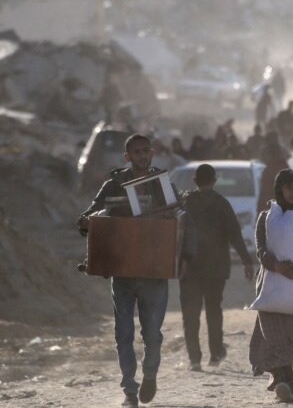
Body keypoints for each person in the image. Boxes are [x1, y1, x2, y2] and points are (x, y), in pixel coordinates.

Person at [76, 134, 195, 408]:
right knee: (123, 333)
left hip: (154, 271)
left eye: (145, 151)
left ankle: (150, 374)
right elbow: (92, 214)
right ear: (127, 157)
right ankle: (130, 389)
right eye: (136, 152)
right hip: (123, 271)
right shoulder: (114, 184)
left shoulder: (163, 186)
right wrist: (85, 222)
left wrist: (186, 255)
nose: (142, 156)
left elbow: (182, 221)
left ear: (152, 153)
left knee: (152, 333)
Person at [249, 169, 293, 403]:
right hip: (271, 287)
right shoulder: (266, 217)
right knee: (272, 334)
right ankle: (282, 381)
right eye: (289, 187)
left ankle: (282, 381)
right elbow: (261, 249)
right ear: (279, 189)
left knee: (289, 338)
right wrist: (277, 266)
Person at [181, 164, 254, 372]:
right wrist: (247, 261)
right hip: (215, 267)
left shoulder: (185, 203)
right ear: (215, 180)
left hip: (189, 266)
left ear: (194, 180)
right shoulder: (222, 203)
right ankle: (215, 354)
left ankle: (194, 359)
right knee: (214, 310)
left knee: (190, 313)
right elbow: (235, 234)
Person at [257, 143, 289, 211]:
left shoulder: (270, 169)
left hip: (272, 206)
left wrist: (260, 208)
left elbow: (264, 190)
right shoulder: (285, 167)